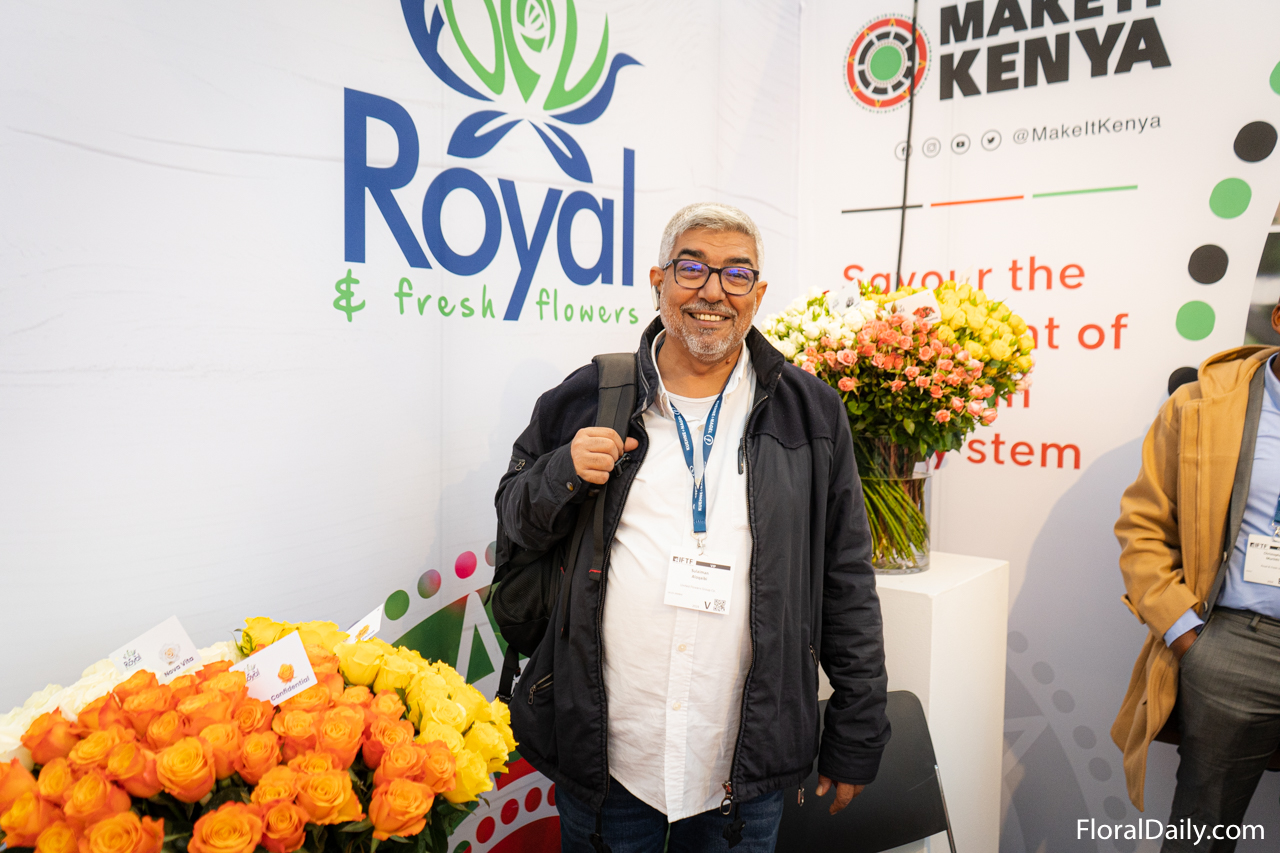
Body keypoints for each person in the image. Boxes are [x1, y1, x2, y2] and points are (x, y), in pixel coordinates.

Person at [495, 202, 890, 852]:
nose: (712, 291)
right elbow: (514, 522)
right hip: (609, 762)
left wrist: (857, 727)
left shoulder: (810, 412)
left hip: (742, 767)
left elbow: (845, 578)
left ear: (758, 292)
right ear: (659, 281)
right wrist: (561, 472)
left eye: (736, 274)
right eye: (692, 268)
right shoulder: (589, 396)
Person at [1113, 300, 1280, 851]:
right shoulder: (1201, 404)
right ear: (1279, 318)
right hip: (1236, 649)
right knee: (1201, 835)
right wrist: (1186, 633)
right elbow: (1142, 526)